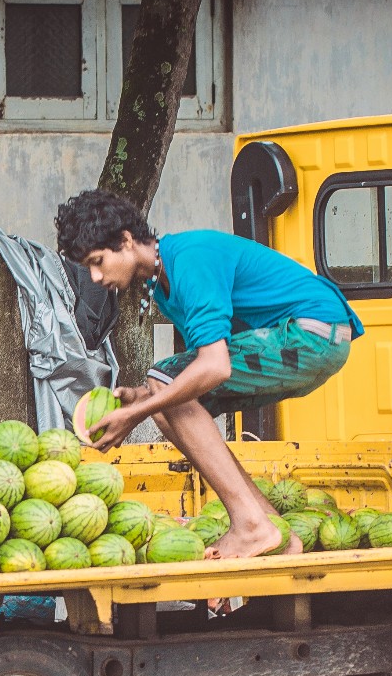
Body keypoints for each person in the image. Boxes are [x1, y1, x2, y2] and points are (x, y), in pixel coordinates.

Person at [55, 189, 363, 560]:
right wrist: (141, 398)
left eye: (97, 261)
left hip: (311, 332)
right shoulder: (162, 282)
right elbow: (194, 378)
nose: (94, 276)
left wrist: (132, 415)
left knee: (165, 382)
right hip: (310, 339)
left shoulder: (190, 259)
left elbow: (215, 365)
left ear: (125, 241)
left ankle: (250, 525)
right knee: (166, 396)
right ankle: (275, 531)